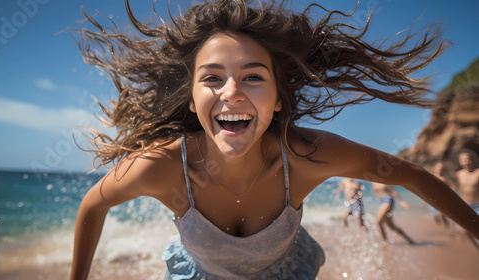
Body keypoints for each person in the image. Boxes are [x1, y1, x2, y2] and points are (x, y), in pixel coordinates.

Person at [69, 1, 479, 279]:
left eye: (252, 76)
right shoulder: (162, 168)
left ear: (278, 99)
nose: (231, 92)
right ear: (192, 102)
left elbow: (409, 175)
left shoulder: (306, 157)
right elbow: (93, 204)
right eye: (212, 78)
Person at [456, 150, 479, 249]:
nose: (466, 161)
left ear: (473, 160)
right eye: (463, 160)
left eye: (468, 159)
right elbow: (461, 189)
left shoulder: (478, 172)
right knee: (466, 231)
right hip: (465, 205)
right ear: (460, 161)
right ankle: (477, 247)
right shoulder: (459, 174)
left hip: (478, 204)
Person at [427, 162, 456, 228]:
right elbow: (427, 188)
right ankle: (439, 228)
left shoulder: (445, 178)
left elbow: (453, 187)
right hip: (431, 199)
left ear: (443, 169)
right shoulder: (430, 176)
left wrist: (449, 194)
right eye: (438, 167)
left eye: (441, 168)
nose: (440, 169)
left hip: (442, 200)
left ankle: (447, 227)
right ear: (435, 168)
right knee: (435, 216)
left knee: (442, 215)